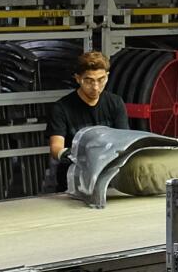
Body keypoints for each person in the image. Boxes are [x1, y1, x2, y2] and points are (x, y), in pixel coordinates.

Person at [43, 51, 129, 192]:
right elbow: (56, 148)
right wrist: (80, 156)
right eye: (89, 81)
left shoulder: (116, 103)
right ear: (78, 79)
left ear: (107, 76)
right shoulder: (61, 108)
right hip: (73, 179)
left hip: (109, 178)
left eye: (101, 80)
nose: (95, 87)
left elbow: (124, 142)